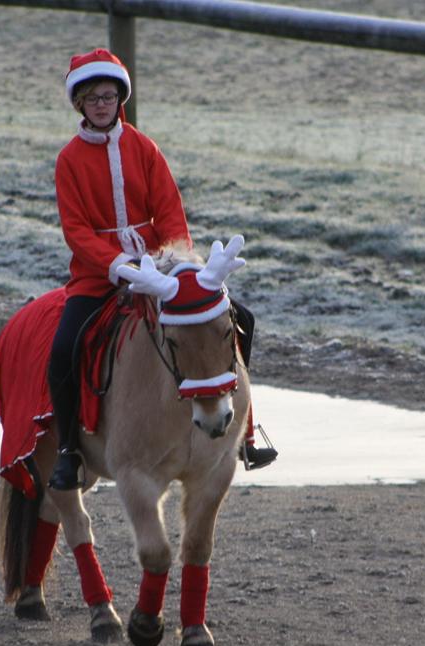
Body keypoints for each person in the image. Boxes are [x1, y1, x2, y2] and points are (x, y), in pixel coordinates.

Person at [48, 48, 276, 490]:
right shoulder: (68, 160)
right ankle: (69, 449)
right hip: (99, 276)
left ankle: (245, 431)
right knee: (64, 348)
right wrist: (119, 265)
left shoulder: (144, 148)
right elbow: (76, 231)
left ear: (120, 100)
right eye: (92, 97)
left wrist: (175, 261)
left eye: (108, 96)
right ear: (80, 103)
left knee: (239, 318)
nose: (101, 104)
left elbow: (170, 211)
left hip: (162, 269)